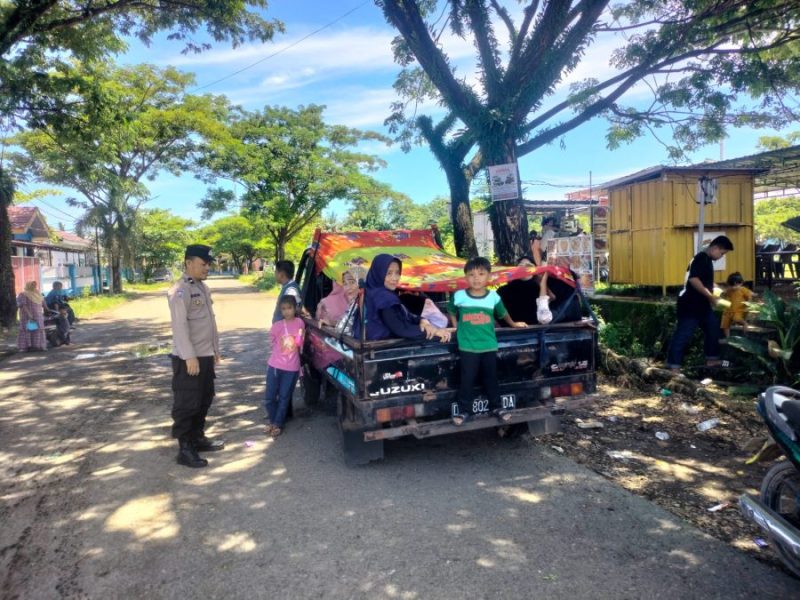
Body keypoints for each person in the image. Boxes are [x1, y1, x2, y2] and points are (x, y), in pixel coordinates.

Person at [448, 257, 527, 425]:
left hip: (489, 345)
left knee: (490, 378)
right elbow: (451, 311)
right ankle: (464, 411)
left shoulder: (493, 297)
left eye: (481, 274)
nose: (476, 278)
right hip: (467, 347)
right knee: (467, 380)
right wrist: (456, 327)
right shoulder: (459, 295)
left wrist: (513, 324)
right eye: (471, 275)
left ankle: (497, 407)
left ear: (489, 277)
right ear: (465, 278)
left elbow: (502, 313)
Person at [167, 244, 223, 468]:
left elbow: (210, 321)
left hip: (205, 355)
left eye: (208, 264)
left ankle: (198, 437)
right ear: (189, 263)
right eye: (203, 264)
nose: (207, 267)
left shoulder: (201, 287)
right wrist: (189, 356)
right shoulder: (180, 290)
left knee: (205, 398)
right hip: (189, 358)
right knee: (187, 403)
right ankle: (185, 448)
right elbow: (179, 326)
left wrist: (215, 350)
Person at [667, 235, 734, 372]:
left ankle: (712, 359)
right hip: (690, 304)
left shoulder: (707, 260)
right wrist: (710, 296)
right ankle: (674, 367)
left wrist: (721, 291)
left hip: (702, 305)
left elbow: (706, 282)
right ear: (715, 248)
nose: (722, 256)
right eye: (722, 253)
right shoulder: (701, 258)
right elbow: (694, 280)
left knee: (713, 328)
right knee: (683, 334)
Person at [353, 253, 451, 342]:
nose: (395, 278)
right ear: (379, 273)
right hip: (383, 348)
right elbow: (400, 328)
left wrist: (421, 320)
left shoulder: (371, 290)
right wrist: (435, 332)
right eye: (389, 273)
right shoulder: (383, 297)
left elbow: (403, 316)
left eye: (397, 273)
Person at [265, 295, 305, 437]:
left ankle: (277, 424)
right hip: (275, 366)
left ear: (295, 308)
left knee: (284, 397)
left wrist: (299, 337)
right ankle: (272, 420)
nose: (287, 311)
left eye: (289, 308)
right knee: (269, 397)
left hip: (292, 367)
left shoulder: (300, 323)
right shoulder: (276, 326)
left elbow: (299, 343)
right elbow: (272, 341)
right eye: (283, 309)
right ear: (280, 310)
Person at [497, 256, 553, 325]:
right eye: (520, 265)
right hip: (510, 330)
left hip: (534, 329)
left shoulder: (539, 288)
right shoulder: (503, 290)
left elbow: (549, 302)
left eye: (528, 265)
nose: (524, 268)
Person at [16, 281, 47, 352]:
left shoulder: (38, 293)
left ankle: (38, 346)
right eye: (32, 285)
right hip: (27, 316)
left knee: (38, 329)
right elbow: (23, 305)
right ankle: (26, 347)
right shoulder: (23, 294)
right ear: (28, 285)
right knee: (28, 329)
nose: (34, 286)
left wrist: (48, 309)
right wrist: (29, 314)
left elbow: (43, 303)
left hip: (38, 315)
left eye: (35, 285)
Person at [720, 272, 754, 337]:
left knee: (736, 319)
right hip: (729, 310)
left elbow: (749, 296)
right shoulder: (729, 290)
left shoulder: (743, 290)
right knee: (725, 324)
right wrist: (722, 293)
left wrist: (748, 305)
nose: (734, 287)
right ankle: (728, 337)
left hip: (739, 309)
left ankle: (745, 323)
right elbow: (723, 294)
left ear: (741, 283)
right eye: (732, 285)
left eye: (736, 285)